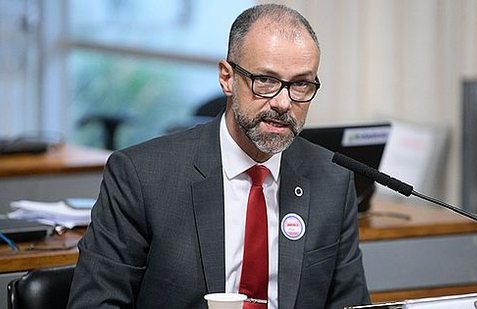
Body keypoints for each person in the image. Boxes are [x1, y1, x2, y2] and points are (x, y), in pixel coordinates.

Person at [68, 4, 370, 309]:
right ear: (226, 77)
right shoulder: (141, 176)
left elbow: (351, 304)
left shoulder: (332, 180)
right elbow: (95, 304)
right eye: (265, 80)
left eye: (301, 84)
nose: (282, 102)